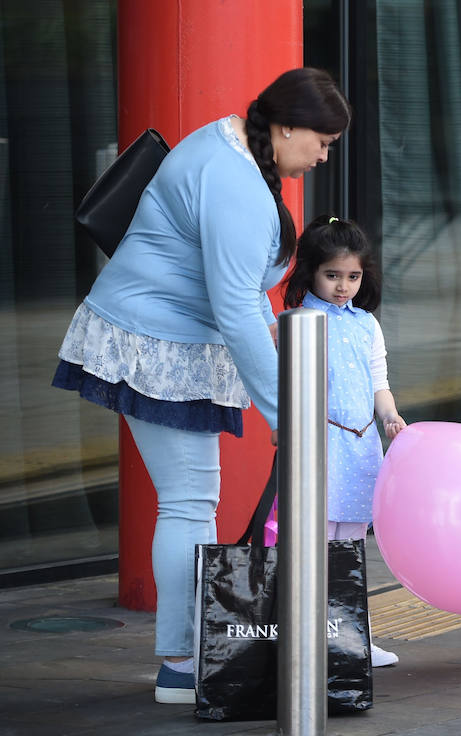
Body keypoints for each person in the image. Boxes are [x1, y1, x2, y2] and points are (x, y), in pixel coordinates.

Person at [52, 68, 351, 702]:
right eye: (322, 141)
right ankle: (182, 666)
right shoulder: (236, 180)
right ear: (287, 125)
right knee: (188, 503)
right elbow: (238, 307)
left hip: (158, 338)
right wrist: (288, 415)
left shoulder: (230, 140)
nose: (324, 155)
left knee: (189, 501)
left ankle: (184, 660)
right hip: (156, 344)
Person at [283, 214, 407, 667]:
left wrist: (390, 416)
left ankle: (352, 638)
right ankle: (308, 639)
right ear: (311, 271)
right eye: (332, 275)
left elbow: (379, 381)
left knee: (349, 550)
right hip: (318, 446)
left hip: (360, 447)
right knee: (311, 547)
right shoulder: (297, 322)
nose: (343, 286)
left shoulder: (366, 325)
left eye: (352, 276)